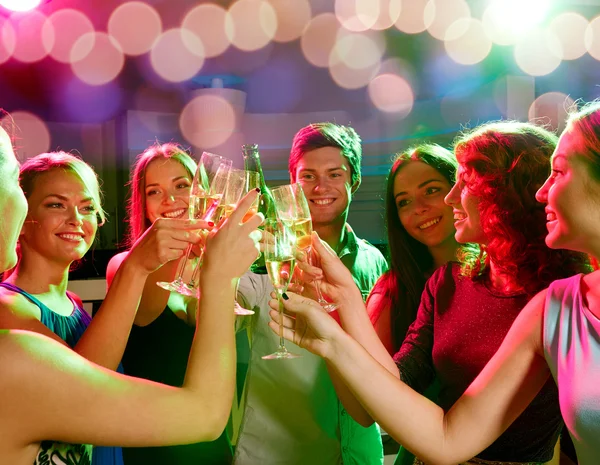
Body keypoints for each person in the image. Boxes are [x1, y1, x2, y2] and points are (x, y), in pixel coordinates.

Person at [271, 120, 593, 464]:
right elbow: (396, 384)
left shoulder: (560, 300)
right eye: (404, 201)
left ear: (507, 193)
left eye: (464, 183)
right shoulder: (448, 281)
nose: (450, 197)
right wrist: (345, 299)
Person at [0, 119, 264, 465]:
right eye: (55, 204)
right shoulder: (9, 311)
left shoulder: (74, 305)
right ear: (23, 217)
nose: (76, 220)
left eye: (87, 207)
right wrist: (208, 275)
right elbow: (83, 396)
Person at [234, 122, 388, 464]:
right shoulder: (264, 255)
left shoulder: (374, 261)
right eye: (308, 176)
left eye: (334, 174)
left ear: (355, 180)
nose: (321, 187)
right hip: (279, 453)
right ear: (293, 183)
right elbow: (224, 311)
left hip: (362, 454)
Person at [106, 142, 233, 465]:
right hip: (155, 439)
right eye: (154, 192)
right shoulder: (126, 265)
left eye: (182, 186)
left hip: (214, 437)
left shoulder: (219, 263)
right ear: (144, 204)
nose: (171, 200)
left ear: (202, 192)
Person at [367, 144, 459, 355]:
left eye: (431, 190)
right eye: (404, 202)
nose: (418, 208)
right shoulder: (390, 295)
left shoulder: (501, 273)